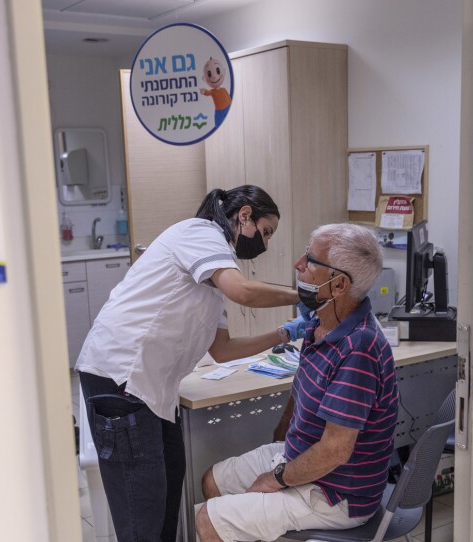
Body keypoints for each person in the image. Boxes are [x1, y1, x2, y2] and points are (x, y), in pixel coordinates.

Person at [75, 185, 301, 542]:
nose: (266, 244)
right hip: (121, 377)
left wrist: (286, 333)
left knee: (167, 493)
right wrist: (302, 295)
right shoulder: (200, 234)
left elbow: (223, 350)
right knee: (142, 509)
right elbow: (242, 291)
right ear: (245, 216)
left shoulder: (215, 269)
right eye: (266, 231)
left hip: (153, 391)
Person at [196, 223, 399, 542]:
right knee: (212, 482)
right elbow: (303, 387)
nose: (298, 264)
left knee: (207, 520)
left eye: (310, 259)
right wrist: (284, 431)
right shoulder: (320, 322)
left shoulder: (359, 349)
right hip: (301, 456)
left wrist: (277, 479)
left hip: (338, 493)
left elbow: (334, 451)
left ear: (339, 285)